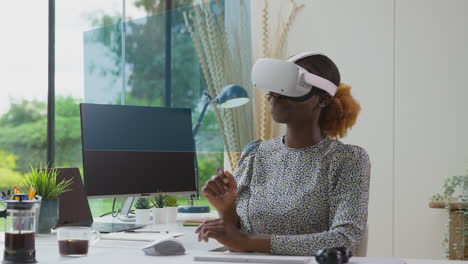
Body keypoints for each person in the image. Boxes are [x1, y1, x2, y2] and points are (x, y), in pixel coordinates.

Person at [195, 52, 371, 256]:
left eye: (289, 88)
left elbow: (345, 239)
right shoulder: (255, 152)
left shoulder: (348, 159)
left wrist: (250, 242)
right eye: (276, 86)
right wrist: (227, 208)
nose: (276, 94)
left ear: (322, 100)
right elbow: (238, 236)